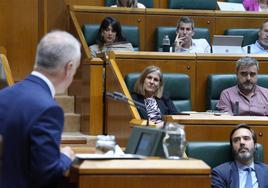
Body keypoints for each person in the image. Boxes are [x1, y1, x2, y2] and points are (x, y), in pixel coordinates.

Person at [0, 30, 81, 188]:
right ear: (69, 68)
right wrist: (65, 157)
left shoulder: (4, 95)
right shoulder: (48, 109)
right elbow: (46, 174)